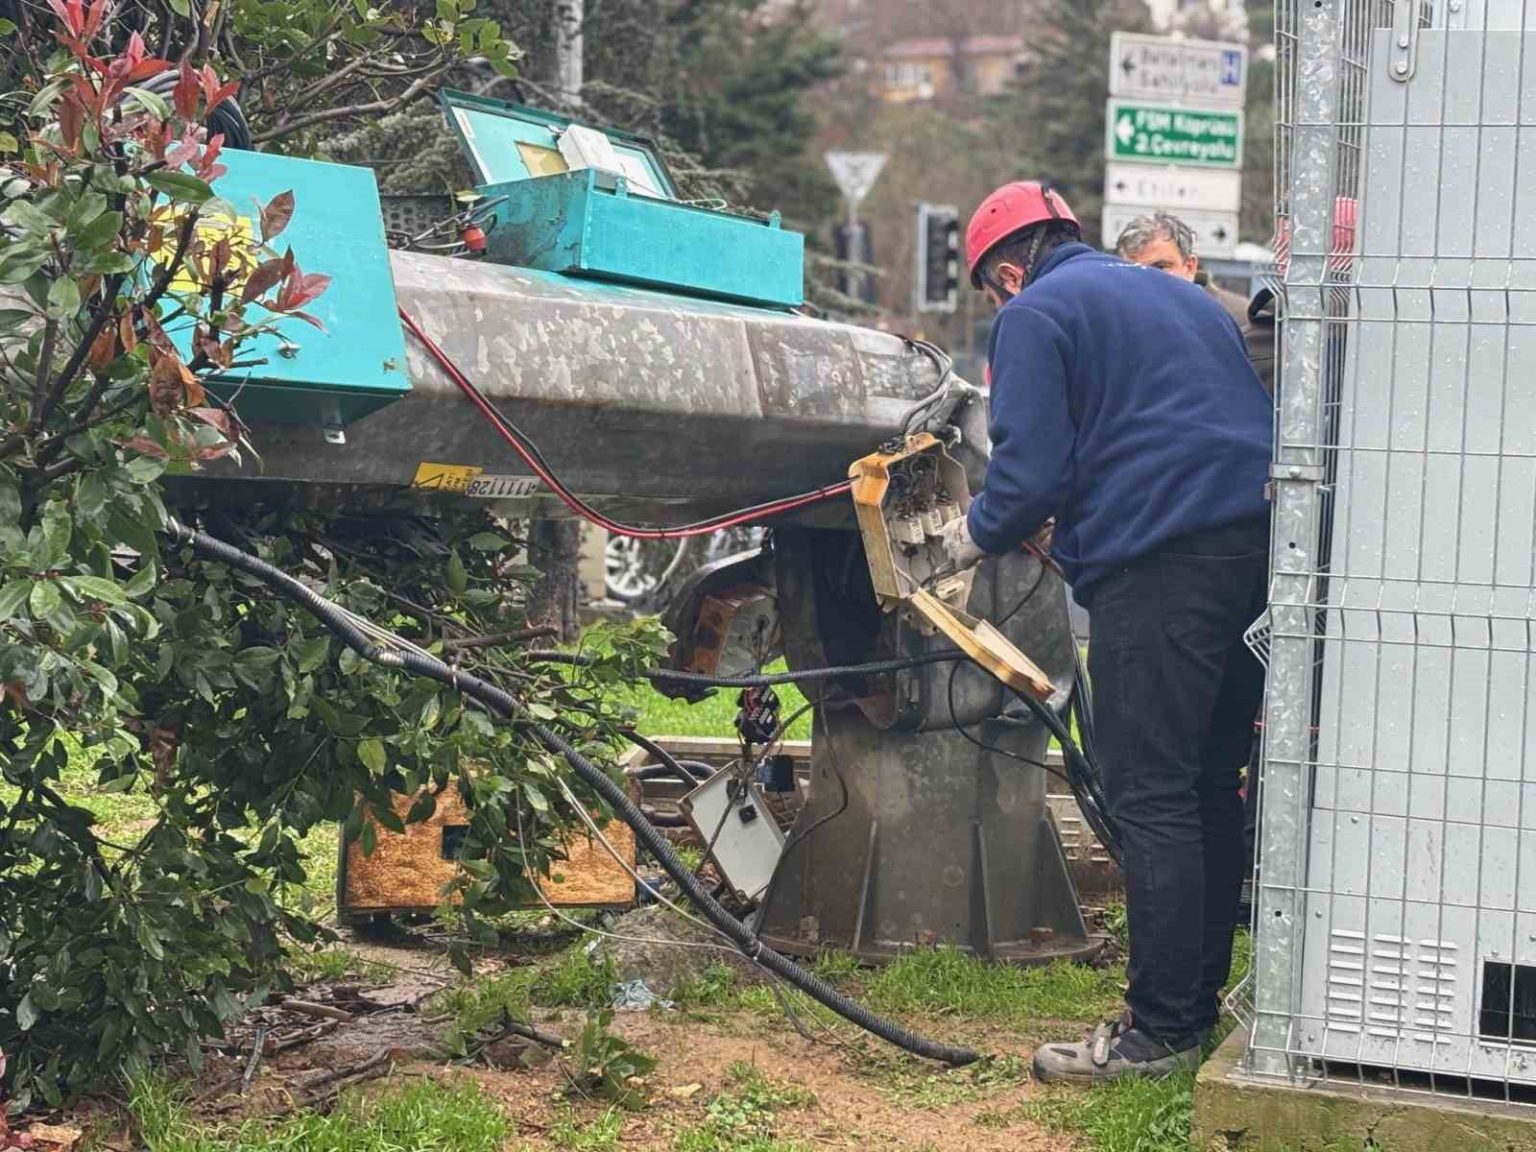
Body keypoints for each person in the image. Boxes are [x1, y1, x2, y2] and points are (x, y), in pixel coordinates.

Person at [941, 181, 1273, 1083]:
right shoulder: (1184, 299)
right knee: (1207, 784)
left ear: (1009, 274)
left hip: (1159, 570)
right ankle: (1191, 1007)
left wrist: (967, 535)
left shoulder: (1035, 314)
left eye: (991, 292)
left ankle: (1156, 1036)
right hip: (1253, 561)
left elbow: (1028, 477)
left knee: (1149, 793)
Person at [1115, 212, 1251, 328]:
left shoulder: (1238, 318)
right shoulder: (1113, 320)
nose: (1146, 280)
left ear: (1190, 267)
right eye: (1134, 270)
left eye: (1160, 267)